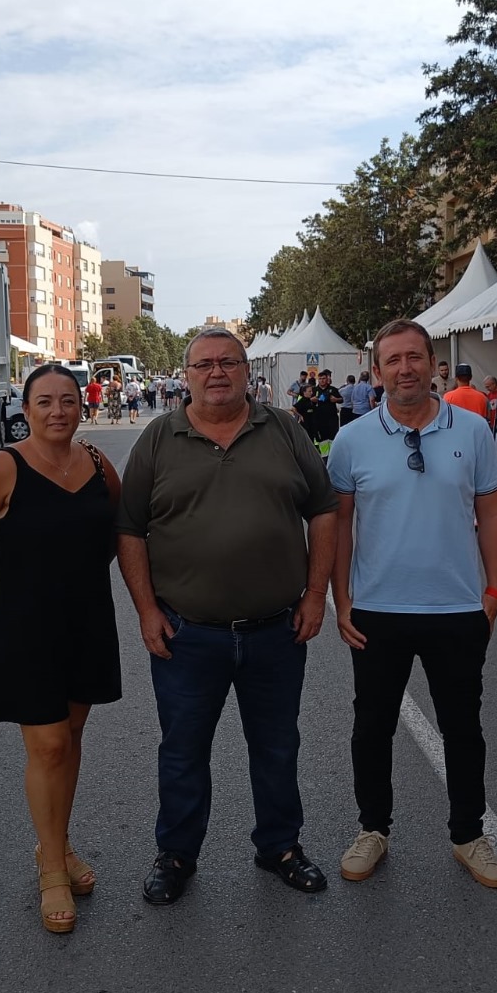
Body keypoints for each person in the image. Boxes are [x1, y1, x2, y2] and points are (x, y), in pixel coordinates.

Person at [117, 327, 338, 905]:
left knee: (277, 747)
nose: (217, 373)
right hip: (188, 635)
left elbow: (324, 512)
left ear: (247, 371)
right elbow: (129, 529)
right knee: (183, 751)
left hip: (276, 630)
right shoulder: (159, 438)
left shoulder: (285, 430)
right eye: (204, 365)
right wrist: (145, 610)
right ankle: (177, 853)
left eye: (228, 363)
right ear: (186, 376)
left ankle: (280, 847)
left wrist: (317, 596)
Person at [0, 364, 122, 935]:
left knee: (72, 738)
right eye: (45, 401)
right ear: (26, 408)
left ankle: (57, 847)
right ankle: (51, 870)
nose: (58, 411)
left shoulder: (96, 462)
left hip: (88, 620)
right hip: (27, 628)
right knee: (48, 746)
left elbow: (120, 527)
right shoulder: (3, 466)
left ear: (82, 406)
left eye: (68, 400)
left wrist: (88, 575)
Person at [328, 319, 497, 890]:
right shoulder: (353, 438)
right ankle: (372, 829)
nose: (404, 369)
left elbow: (492, 513)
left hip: (456, 609)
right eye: (393, 360)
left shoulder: (473, 430)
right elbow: (340, 525)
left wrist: (494, 591)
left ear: (433, 364)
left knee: (463, 728)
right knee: (371, 728)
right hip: (378, 610)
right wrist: (341, 601)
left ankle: (467, 834)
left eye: (415, 357)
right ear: (377, 371)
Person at [309, 370, 343, 447]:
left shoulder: (333, 389)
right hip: (319, 419)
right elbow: (306, 402)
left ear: (327, 379)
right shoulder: (314, 390)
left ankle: (332, 455)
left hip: (332, 419)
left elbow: (341, 399)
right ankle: (324, 457)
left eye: (324, 378)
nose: (322, 380)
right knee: (321, 440)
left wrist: (336, 399)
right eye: (320, 378)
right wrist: (311, 400)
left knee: (333, 438)